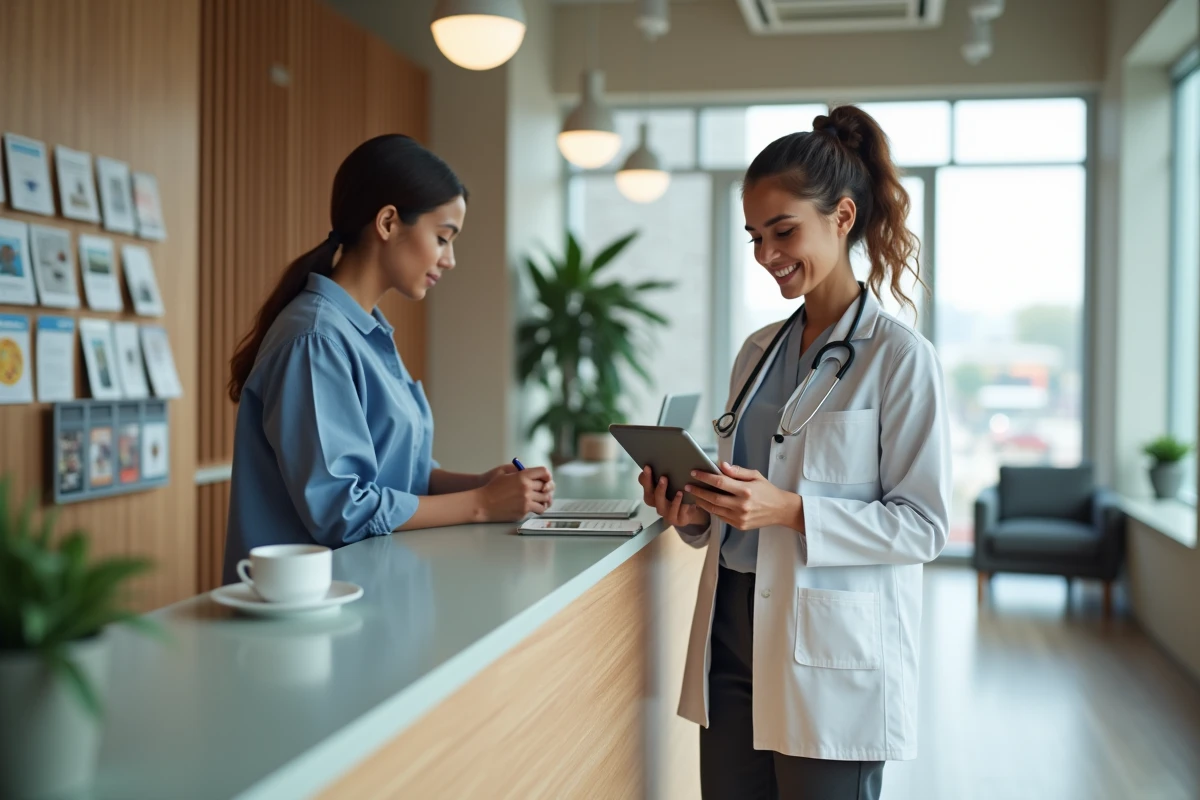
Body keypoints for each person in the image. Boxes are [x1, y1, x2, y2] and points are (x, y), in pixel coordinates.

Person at [638, 106, 951, 799]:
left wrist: (789, 511)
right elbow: (740, 509)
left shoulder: (899, 359)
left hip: (827, 654)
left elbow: (924, 526)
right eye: (754, 237)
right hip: (730, 641)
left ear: (842, 217)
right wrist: (692, 513)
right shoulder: (757, 352)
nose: (766, 254)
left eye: (783, 231)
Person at [223, 134, 553, 583]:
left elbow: (400, 477)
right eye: (442, 238)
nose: (450, 259)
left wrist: (482, 484)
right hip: (308, 611)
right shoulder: (316, 339)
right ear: (388, 222)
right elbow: (343, 509)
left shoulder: (367, 331)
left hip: (373, 592)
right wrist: (481, 505)